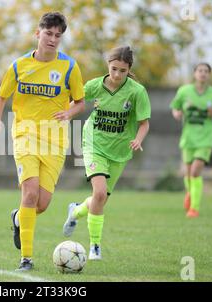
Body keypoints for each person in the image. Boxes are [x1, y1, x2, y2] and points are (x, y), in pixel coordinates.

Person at [0, 12, 85, 271]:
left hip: (55, 141)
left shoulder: (70, 67)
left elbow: (80, 101)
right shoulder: (18, 66)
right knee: (29, 194)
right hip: (24, 135)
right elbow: (0, 98)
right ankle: (26, 259)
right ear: (37, 33)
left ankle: (18, 218)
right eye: (48, 33)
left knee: (40, 204)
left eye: (57, 35)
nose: (52, 39)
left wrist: (69, 112)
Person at [62, 46, 151, 260]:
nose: (117, 74)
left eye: (122, 70)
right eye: (114, 69)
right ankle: (94, 247)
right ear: (107, 66)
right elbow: (76, 100)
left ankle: (75, 211)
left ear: (129, 69)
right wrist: (64, 112)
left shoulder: (137, 91)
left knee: (99, 200)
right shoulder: (95, 85)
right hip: (94, 144)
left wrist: (138, 140)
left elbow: (144, 123)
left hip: (120, 151)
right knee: (100, 193)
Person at [169, 62, 212, 218]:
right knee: (187, 174)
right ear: (194, 73)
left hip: (206, 138)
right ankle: (190, 193)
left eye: (206, 71)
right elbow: (175, 107)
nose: (203, 73)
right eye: (200, 70)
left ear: (209, 75)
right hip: (188, 138)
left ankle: (194, 208)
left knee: (195, 172)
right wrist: (177, 114)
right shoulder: (184, 91)